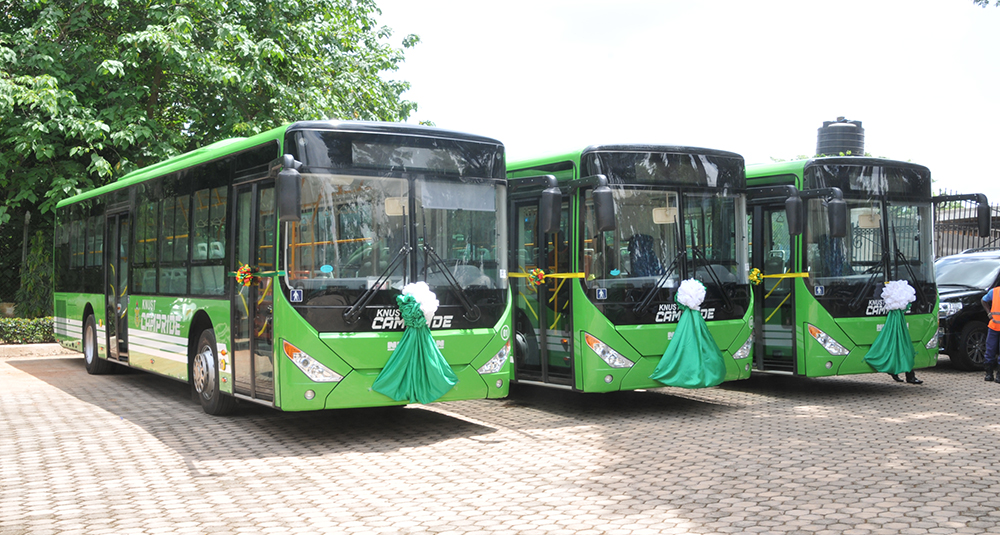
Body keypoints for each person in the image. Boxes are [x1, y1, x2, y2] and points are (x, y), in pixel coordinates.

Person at [981, 286, 1000, 382]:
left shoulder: (994, 291)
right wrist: (989, 313)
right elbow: (983, 300)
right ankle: (989, 373)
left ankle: (998, 375)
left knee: (990, 349)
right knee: (990, 349)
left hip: (994, 326)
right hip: (994, 327)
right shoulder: (994, 291)